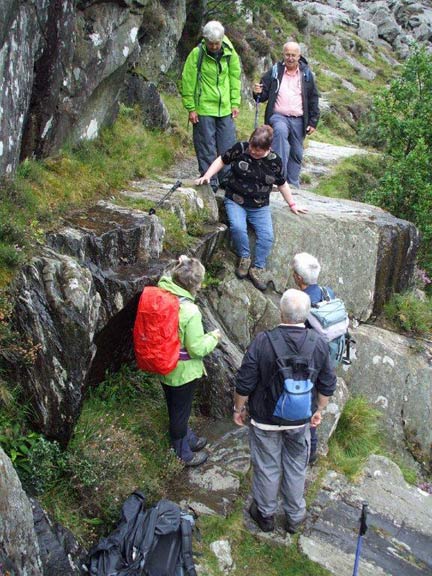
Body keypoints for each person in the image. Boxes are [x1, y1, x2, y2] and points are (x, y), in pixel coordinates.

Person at [233, 289, 336, 533]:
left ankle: (265, 515)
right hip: (300, 420)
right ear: (307, 315)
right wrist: (319, 409)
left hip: (265, 419)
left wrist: (239, 408)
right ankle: (294, 517)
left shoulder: (263, 341)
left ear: (280, 311)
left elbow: (244, 381)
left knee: (268, 465)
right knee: (296, 465)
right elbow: (327, 383)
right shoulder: (318, 343)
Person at [195, 125, 307, 291]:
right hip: (235, 200)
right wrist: (207, 176)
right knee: (238, 228)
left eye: (258, 151)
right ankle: (244, 258)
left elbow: (282, 184)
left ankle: (257, 268)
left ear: (268, 148)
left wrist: (292, 204)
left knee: (267, 236)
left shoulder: (275, 161)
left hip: (259, 205)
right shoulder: (240, 149)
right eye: (252, 148)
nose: (253, 153)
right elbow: (221, 160)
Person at [158, 255, 221, 466]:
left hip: (164, 363)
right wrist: (213, 337)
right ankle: (183, 454)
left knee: (177, 406)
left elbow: (172, 271)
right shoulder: (190, 311)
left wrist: (183, 263)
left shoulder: (164, 292)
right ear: (194, 285)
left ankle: (189, 438)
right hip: (182, 370)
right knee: (179, 412)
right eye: (200, 280)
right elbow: (196, 349)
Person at [181, 20, 241, 192]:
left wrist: (235, 102)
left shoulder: (230, 54)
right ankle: (210, 182)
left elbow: (234, 79)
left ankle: (227, 180)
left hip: (225, 108)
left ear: (222, 39)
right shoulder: (196, 54)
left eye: (217, 43)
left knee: (228, 145)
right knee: (205, 146)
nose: (214, 46)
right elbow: (188, 80)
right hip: (204, 107)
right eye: (211, 43)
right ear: (205, 40)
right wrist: (191, 108)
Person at [253, 41, 320, 188]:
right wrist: (257, 92)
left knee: (296, 152)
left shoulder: (306, 74)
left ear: (299, 56)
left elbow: (313, 97)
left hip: (299, 119)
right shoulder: (275, 71)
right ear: (283, 55)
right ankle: (278, 180)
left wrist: (313, 121)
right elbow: (263, 94)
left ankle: (293, 186)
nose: (290, 58)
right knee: (280, 134)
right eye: (287, 55)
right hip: (278, 116)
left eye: (293, 55)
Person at [292, 252, 335, 465]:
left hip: (308, 364)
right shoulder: (328, 292)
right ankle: (312, 454)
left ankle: (308, 452)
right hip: (326, 358)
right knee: (315, 409)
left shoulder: (301, 301)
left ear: (299, 278)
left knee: (307, 409)